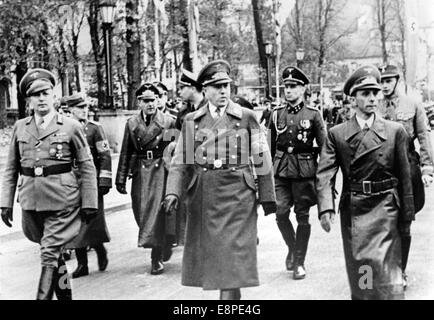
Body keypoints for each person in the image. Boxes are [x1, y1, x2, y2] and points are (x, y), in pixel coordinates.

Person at [161, 60, 276, 300]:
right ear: (205, 90)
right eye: (217, 87)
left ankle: (228, 299)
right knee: (220, 258)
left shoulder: (246, 116)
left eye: (226, 86)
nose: (223, 91)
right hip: (206, 196)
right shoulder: (193, 120)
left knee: (231, 255)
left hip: (238, 197)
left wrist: (267, 197)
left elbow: (262, 156)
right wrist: (172, 192)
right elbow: (181, 160)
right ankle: (231, 297)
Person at [316, 65, 414, 300]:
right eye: (365, 94)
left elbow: (405, 177)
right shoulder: (337, 134)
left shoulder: (395, 131)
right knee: (364, 277)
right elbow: (325, 173)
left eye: (375, 93)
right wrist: (326, 208)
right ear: (353, 98)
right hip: (356, 212)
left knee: (389, 279)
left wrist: (407, 215)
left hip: (387, 209)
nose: (372, 98)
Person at [0, 68, 98, 300]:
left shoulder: (71, 126)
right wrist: (5, 202)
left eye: (46, 93)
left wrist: (90, 202)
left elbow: (86, 165)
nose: (41, 98)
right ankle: (65, 298)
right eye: (36, 95)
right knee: (53, 253)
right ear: (29, 100)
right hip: (31, 202)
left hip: (62, 200)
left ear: (54, 95)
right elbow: (11, 168)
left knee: (49, 252)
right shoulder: (20, 127)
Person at [378, 65, 434, 288]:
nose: (384, 85)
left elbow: (423, 136)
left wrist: (427, 169)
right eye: (381, 81)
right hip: (381, 168)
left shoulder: (412, 105)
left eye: (388, 81)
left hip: (406, 168)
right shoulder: (375, 106)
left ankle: (400, 270)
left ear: (397, 81)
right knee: (383, 222)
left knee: (405, 221)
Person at [268, 66, 326, 279]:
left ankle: (299, 261)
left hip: (304, 171)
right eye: (286, 87)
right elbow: (269, 147)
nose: (289, 91)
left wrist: (323, 178)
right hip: (281, 170)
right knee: (281, 212)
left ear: (303, 89)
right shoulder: (275, 115)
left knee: (302, 216)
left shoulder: (313, 115)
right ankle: (292, 248)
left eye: (293, 87)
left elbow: (325, 149)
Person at [115, 82, 176, 275]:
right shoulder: (132, 123)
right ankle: (162, 241)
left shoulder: (169, 121)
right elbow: (126, 150)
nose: (151, 104)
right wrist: (121, 177)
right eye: (146, 101)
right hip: (141, 171)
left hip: (161, 170)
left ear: (158, 100)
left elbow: (176, 152)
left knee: (157, 212)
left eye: (154, 100)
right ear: (139, 102)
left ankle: (156, 255)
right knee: (140, 210)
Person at [63, 93, 112, 278]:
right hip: (71, 183)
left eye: (85, 107)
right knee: (75, 224)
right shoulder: (64, 128)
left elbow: (105, 155)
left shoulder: (94, 129)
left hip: (90, 182)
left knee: (92, 222)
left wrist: (104, 180)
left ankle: (99, 248)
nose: (84, 111)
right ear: (71, 110)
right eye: (80, 108)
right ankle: (82, 264)